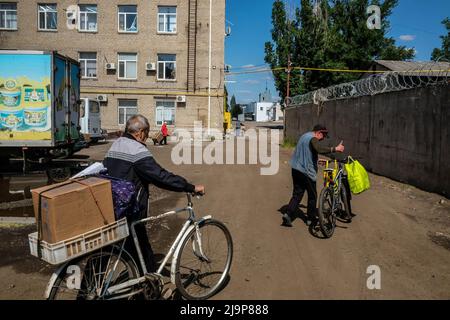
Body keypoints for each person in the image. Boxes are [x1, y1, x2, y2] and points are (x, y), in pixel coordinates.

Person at [103, 115, 205, 272]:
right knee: (140, 247)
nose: (148, 136)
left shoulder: (117, 144)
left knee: (111, 251)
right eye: (147, 132)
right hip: (131, 209)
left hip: (111, 205)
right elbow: (160, 176)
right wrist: (189, 187)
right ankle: (147, 285)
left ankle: (91, 289)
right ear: (141, 132)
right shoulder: (137, 149)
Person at [282, 124, 344, 227]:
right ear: (319, 132)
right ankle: (310, 219)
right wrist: (335, 149)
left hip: (296, 169)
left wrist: (316, 160)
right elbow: (319, 149)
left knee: (297, 194)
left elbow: (306, 152)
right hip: (306, 172)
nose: (323, 138)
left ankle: (288, 214)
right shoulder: (313, 138)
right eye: (323, 136)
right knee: (312, 196)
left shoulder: (304, 136)